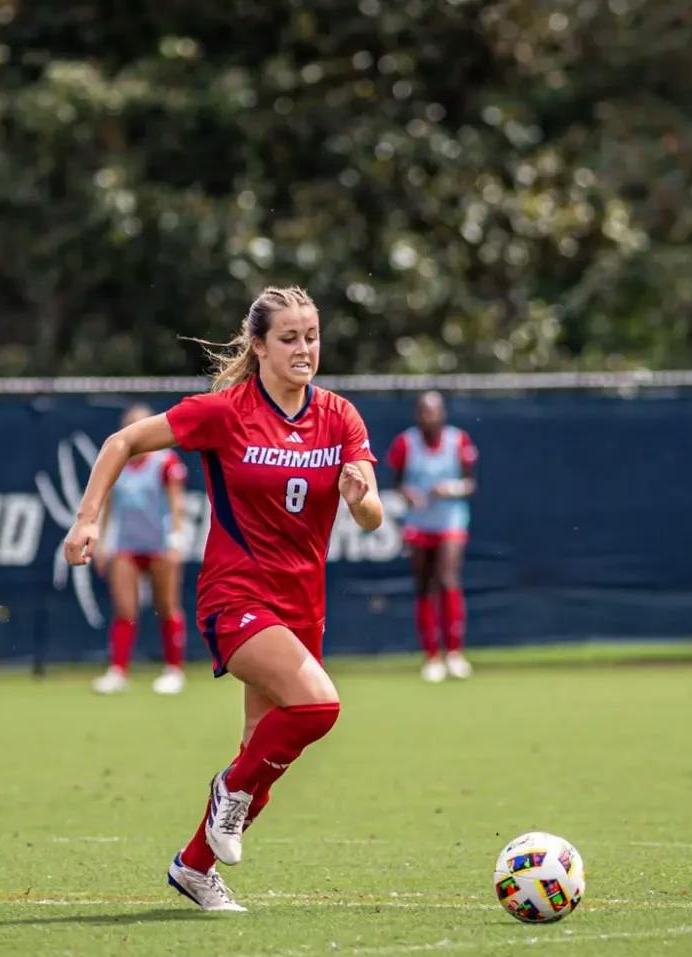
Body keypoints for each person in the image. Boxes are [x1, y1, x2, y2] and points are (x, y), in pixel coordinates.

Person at [63, 286, 383, 912]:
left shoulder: (340, 416)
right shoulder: (225, 412)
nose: (304, 349)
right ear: (258, 346)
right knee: (318, 708)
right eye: (288, 338)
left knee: (261, 758)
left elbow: (371, 516)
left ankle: (194, 867)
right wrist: (86, 520)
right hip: (236, 596)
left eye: (312, 336)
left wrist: (359, 498)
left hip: (302, 606)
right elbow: (120, 443)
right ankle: (225, 792)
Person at [90, 403, 189, 696]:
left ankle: (174, 670)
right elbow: (108, 507)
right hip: (126, 546)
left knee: (167, 606)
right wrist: (103, 543)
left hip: (160, 545)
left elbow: (176, 504)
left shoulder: (165, 462)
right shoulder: (116, 463)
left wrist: (176, 539)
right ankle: (118, 671)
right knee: (125, 608)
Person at [385, 391, 477, 682]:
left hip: (450, 520)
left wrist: (450, 489)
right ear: (417, 414)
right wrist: (407, 494)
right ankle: (432, 656)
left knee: (448, 578)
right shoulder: (405, 443)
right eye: (425, 411)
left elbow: (469, 483)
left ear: (443, 413)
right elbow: (397, 483)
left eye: (434, 410)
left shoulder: (458, 440)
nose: (430, 416)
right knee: (424, 585)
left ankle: (455, 653)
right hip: (419, 522)